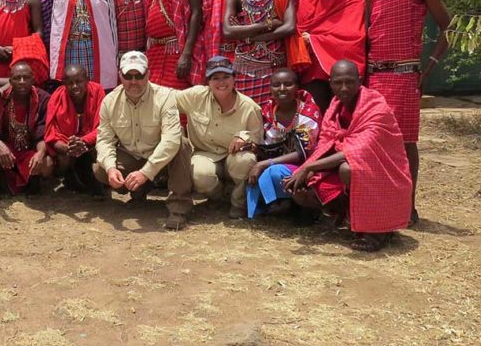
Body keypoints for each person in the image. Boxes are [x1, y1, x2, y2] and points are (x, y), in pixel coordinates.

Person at [365, 0, 451, 225]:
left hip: (405, 77)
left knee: (405, 143)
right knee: (376, 141)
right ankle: (383, 201)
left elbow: (448, 30)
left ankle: (408, 205)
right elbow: (370, 34)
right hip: (376, 76)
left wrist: (427, 71)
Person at [283, 60, 413, 252]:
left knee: (349, 169)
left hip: (383, 178)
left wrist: (310, 167)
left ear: (360, 81)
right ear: (331, 83)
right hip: (354, 168)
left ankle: (377, 232)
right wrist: (306, 171)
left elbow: (357, 151)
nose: (344, 88)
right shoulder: (335, 106)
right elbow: (327, 143)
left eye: (350, 82)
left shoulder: (376, 107)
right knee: (304, 191)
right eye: (338, 82)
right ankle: (348, 217)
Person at [94, 51, 193, 230]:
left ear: (148, 74)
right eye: (128, 76)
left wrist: (146, 172)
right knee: (100, 169)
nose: (133, 81)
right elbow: (104, 140)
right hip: (132, 156)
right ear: (120, 75)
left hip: (161, 161)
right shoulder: (109, 102)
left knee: (181, 144)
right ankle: (138, 192)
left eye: (139, 75)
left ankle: (178, 208)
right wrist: (110, 168)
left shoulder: (165, 97)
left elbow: (170, 141)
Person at [175, 56, 263, 219]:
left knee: (246, 160)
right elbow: (166, 100)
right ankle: (220, 198)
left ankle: (238, 204)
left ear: (234, 78)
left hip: (234, 157)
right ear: (208, 81)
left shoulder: (249, 107)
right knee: (199, 174)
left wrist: (244, 137)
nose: (221, 83)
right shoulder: (196, 96)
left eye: (226, 77)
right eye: (215, 78)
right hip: (205, 153)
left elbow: (258, 138)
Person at [222, 0, 296, 108]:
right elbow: (228, 31)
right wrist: (267, 24)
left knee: (274, 119)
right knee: (246, 118)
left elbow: (289, 27)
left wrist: (252, 37)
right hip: (245, 70)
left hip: (275, 70)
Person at [245, 68, 322, 219]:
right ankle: (267, 207)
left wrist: (264, 163)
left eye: (288, 84)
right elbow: (266, 145)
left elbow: (303, 152)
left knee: (273, 172)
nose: (282, 89)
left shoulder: (308, 111)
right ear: (270, 88)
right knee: (247, 162)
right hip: (276, 161)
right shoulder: (267, 111)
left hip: (305, 167)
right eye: (276, 85)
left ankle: (298, 205)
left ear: (297, 87)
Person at [298, 0, 366, 112]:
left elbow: (354, 38)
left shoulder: (355, 0)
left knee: (343, 115)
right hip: (314, 69)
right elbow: (300, 32)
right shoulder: (306, 0)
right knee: (315, 113)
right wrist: (307, 39)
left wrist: (314, 39)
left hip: (344, 73)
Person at [0, 62, 53, 195]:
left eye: (26, 78)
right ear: (10, 81)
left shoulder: (43, 99)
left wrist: (40, 153)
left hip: (30, 150)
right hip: (7, 150)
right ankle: (2, 181)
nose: (22, 82)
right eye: (17, 78)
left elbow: (44, 131)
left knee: (48, 164)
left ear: (33, 79)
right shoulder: (0, 99)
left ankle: (33, 181)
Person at [50, 0, 119, 89]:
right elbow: (57, 23)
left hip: (96, 48)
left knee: (94, 89)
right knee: (72, 88)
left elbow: (110, 26)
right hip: (70, 47)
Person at [44, 64, 105, 195]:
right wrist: (68, 147)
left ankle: (96, 180)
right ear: (64, 84)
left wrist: (83, 141)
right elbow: (51, 131)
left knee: (101, 149)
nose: (75, 86)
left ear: (87, 80)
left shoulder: (98, 91)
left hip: (91, 142)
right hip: (67, 144)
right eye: (70, 83)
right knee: (63, 157)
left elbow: (103, 127)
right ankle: (68, 176)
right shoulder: (57, 97)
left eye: (79, 81)